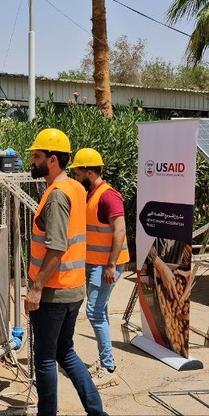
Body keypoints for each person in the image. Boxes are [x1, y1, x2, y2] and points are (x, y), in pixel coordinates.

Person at [25, 129, 106, 416]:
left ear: (53, 160)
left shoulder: (58, 196)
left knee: (46, 360)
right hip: (73, 289)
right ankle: (97, 411)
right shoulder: (75, 187)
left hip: (54, 292)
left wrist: (36, 288)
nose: (32, 161)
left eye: (37, 156)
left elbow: (57, 248)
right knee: (65, 352)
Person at [69, 147, 129, 389]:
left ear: (89, 172)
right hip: (97, 263)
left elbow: (120, 230)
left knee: (94, 311)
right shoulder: (92, 194)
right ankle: (105, 362)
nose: (75, 176)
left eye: (77, 172)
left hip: (106, 265)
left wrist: (111, 265)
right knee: (99, 311)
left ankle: (108, 367)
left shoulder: (108, 196)